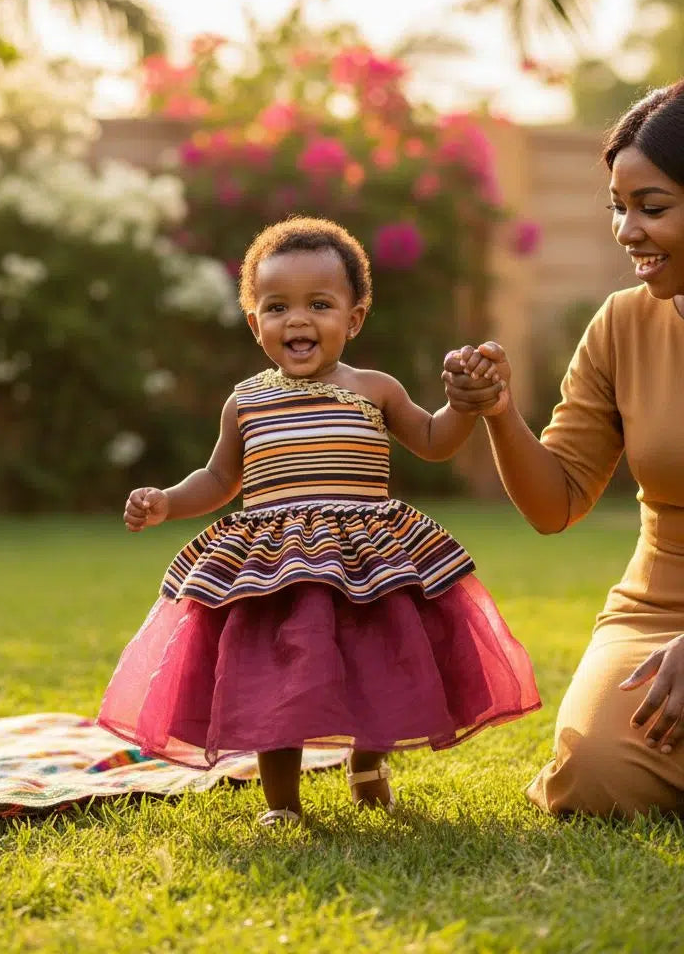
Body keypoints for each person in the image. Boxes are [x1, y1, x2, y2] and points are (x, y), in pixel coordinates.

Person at [99, 216, 539, 826]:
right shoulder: (245, 401)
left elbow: (434, 440)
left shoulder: (376, 390)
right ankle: (282, 803)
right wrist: (169, 501)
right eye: (277, 307)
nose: (298, 320)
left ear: (353, 320)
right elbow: (220, 479)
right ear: (254, 323)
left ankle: (368, 764)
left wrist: (463, 406)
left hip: (365, 562)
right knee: (278, 681)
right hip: (275, 568)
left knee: (376, 665)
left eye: (319, 305)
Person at [442, 80, 684, 818]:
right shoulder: (622, 324)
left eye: (652, 208)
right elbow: (556, 504)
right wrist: (499, 413)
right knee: (598, 772)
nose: (627, 231)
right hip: (660, 608)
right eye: (617, 207)